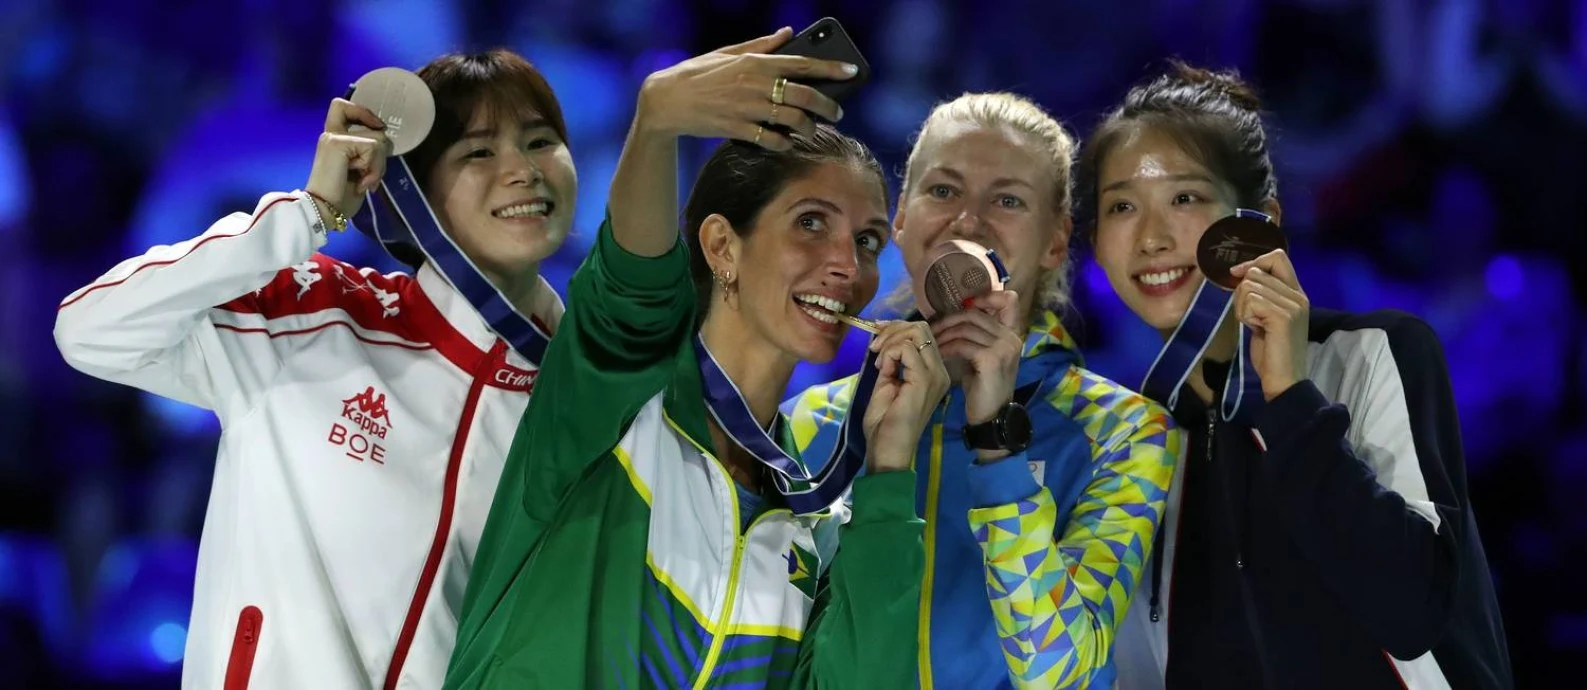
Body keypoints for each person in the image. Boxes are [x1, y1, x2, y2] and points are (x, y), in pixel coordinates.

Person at [53, 49, 575, 689]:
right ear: (415, 190)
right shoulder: (311, 316)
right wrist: (307, 214)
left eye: (541, 141)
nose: (523, 170)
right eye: (478, 152)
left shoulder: (584, 400)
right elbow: (90, 329)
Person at [444, 28, 946, 689]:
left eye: (869, 240)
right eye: (811, 223)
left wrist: (887, 471)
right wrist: (656, 124)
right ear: (721, 246)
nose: (848, 266)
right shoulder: (618, 398)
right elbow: (633, 288)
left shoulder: (812, 517)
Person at [1082, 61, 1514, 689]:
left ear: (1261, 221)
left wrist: (1287, 400)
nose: (1150, 237)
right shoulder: (1127, 436)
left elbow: (1411, 612)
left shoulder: (1378, 353)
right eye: (1122, 205)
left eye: (1185, 197)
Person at [783, 92, 1181, 689]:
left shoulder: (1124, 433)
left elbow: (1056, 672)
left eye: (1008, 200)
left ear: (1054, 240)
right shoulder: (811, 422)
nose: (968, 222)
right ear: (901, 221)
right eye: (942, 191)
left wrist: (997, 441)